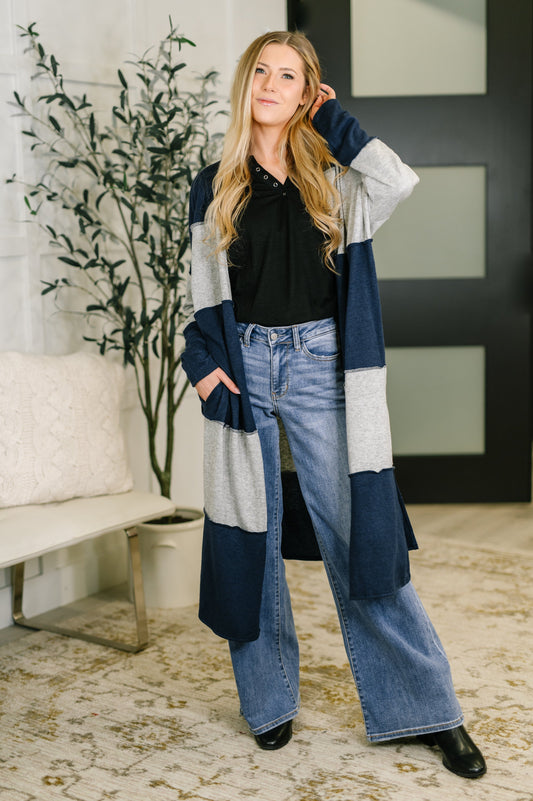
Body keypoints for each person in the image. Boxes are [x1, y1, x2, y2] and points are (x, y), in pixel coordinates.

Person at [181, 30, 486, 779]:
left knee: (362, 542)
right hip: (244, 366)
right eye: (261, 71)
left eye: (289, 75)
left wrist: (336, 124)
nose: (270, 84)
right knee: (248, 538)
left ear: (307, 91)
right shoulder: (212, 184)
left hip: (321, 365)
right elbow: (196, 298)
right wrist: (202, 366)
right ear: (245, 84)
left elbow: (399, 180)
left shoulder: (336, 180)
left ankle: (428, 709)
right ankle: (268, 704)